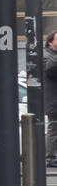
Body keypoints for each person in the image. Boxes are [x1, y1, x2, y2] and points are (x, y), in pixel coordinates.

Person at [44, 31, 57, 167]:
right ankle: (50, 158)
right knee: (54, 129)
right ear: (50, 42)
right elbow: (49, 68)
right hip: (54, 101)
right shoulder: (46, 55)